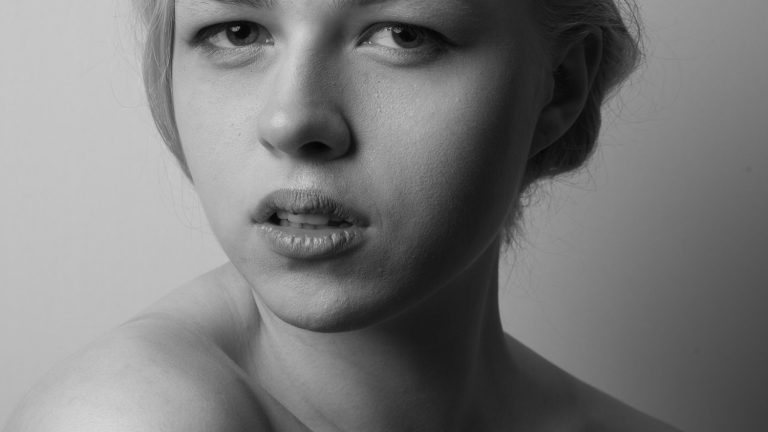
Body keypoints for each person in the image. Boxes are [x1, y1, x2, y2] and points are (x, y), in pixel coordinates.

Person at [4, 0, 681, 430]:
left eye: (403, 35)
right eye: (237, 32)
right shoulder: (128, 416)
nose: (293, 119)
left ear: (560, 87)